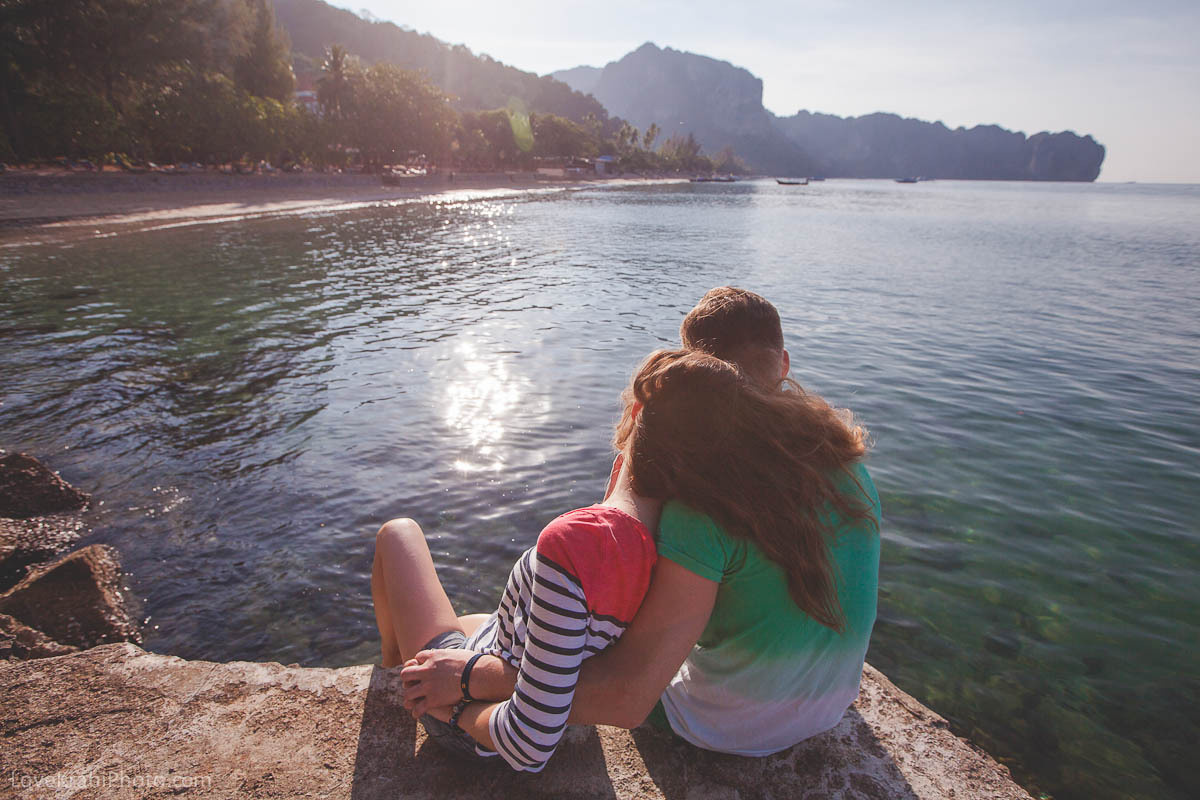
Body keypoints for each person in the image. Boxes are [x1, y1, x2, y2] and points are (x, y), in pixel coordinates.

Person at [401, 287, 881, 756]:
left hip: (725, 728)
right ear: (783, 364)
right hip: (828, 709)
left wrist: (473, 676)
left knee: (427, 586)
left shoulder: (709, 501)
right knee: (479, 623)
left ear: (698, 378)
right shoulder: (847, 460)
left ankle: (412, 686)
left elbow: (628, 696)